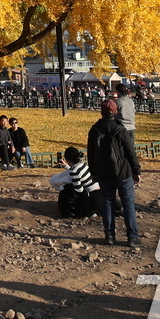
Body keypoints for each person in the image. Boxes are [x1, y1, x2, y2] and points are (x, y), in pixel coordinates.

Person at [86, 99, 142, 248]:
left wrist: (94, 172)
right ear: (116, 112)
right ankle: (132, 237)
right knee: (128, 204)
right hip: (123, 172)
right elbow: (130, 152)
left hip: (103, 172)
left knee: (108, 203)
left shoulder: (95, 129)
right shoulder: (120, 129)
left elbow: (90, 154)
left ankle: (109, 235)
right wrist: (136, 170)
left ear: (101, 112)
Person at [50, 146, 100, 219]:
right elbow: (77, 172)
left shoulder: (74, 172)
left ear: (67, 159)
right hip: (98, 191)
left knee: (68, 190)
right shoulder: (83, 164)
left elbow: (79, 190)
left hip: (94, 197)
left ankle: (88, 212)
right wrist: (66, 166)